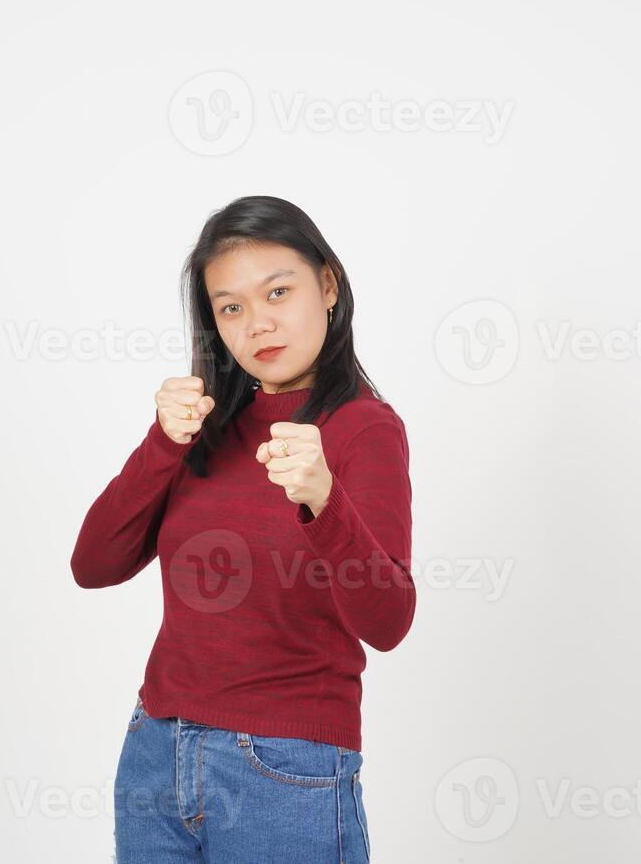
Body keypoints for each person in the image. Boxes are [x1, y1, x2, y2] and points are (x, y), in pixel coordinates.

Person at [71, 195, 415, 863]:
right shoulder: (205, 426)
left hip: (285, 768)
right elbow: (94, 564)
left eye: (277, 292)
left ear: (328, 285)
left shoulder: (363, 429)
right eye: (231, 307)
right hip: (157, 755)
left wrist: (324, 501)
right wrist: (163, 443)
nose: (258, 323)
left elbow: (391, 619)